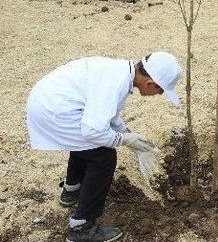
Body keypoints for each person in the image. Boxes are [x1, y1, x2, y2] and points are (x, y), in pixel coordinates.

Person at [27, 51, 183, 242]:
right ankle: (81, 228)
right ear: (151, 83)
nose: (158, 95)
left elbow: (107, 114)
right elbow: (93, 132)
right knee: (103, 158)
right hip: (54, 110)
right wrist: (123, 140)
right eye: (161, 91)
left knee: (88, 147)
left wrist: (127, 132)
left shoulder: (121, 72)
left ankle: (72, 189)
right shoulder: (115, 84)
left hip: (49, 101)